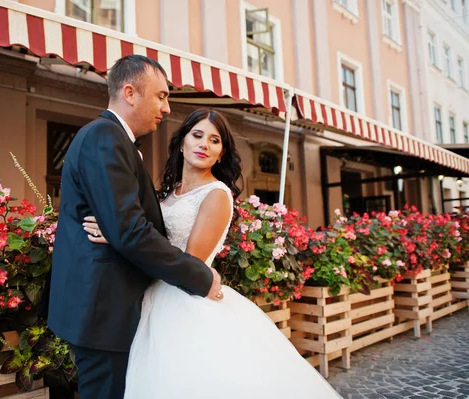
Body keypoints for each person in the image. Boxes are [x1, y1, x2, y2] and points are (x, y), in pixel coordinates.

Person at [84, 109, 343, 398]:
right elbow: (148, 236)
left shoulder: (216, 195)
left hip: (185, 299)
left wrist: (121, 239)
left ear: (221, 154)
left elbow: (189, 262)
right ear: (181, 142)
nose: (204, 144)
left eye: (214, 140)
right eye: (197, 135)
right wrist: (121, 231)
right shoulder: (169, 192)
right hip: (151, 295)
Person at [42, 55, 224, 399]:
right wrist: (200, 276)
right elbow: (130, 231)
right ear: (129, 92)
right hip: (104, 312)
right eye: (161, 96)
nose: (167, 108)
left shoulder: (112, 139)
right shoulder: (105, 138)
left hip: (111, 308)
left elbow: (123, 227)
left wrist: (117, 229)